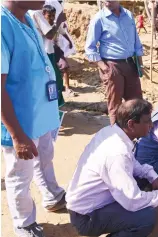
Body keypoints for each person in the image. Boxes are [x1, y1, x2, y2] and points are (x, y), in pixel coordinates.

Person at [2, 1, 67, 236]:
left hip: (41, 114)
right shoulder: (2, 23)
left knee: (45, 159)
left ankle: (53, 195)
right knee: (21, 174)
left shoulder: (27, 18)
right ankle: (24, 223)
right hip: (22, 121)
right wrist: (17, 135)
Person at [66, 99, 158, 237]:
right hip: (86, 217)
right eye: (147, 121)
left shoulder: (110, 132)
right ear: (131, 124)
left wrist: (151, 174)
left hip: (89, 205)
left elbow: (132, 163)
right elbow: (132, 201)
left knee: (143, 179)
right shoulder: (117, 153)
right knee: (146, 217)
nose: (151, 125)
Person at [85, 0, 144, 125]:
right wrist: (105, 68)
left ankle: (137, 135)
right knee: (115, 105)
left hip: (130, 64)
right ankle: (117, 136)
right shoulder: (99, 19)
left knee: (136, 102)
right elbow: (90, 49)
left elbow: (136, 41)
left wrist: (140, 63)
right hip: (112, 65)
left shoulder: (128, 15)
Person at [30, 3, 67, 107]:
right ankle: (55, 108)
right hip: (45, 53)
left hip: (45, 52)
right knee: (54, 82)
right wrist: (59, 20)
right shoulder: (37, 12)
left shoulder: (30, 12)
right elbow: (50, 35)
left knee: (53, 81)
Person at [45, 0, 77, 97]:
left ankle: (66, 88)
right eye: (49, 16)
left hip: (56, 49)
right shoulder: (43, 25)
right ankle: (54, 94)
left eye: (53, 16)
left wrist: (70, 42)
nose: (52, 18)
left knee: (65, 66)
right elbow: (49, 35)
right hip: (46, 51)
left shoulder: (55, 24)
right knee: (51, 73)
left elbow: (62, 32)